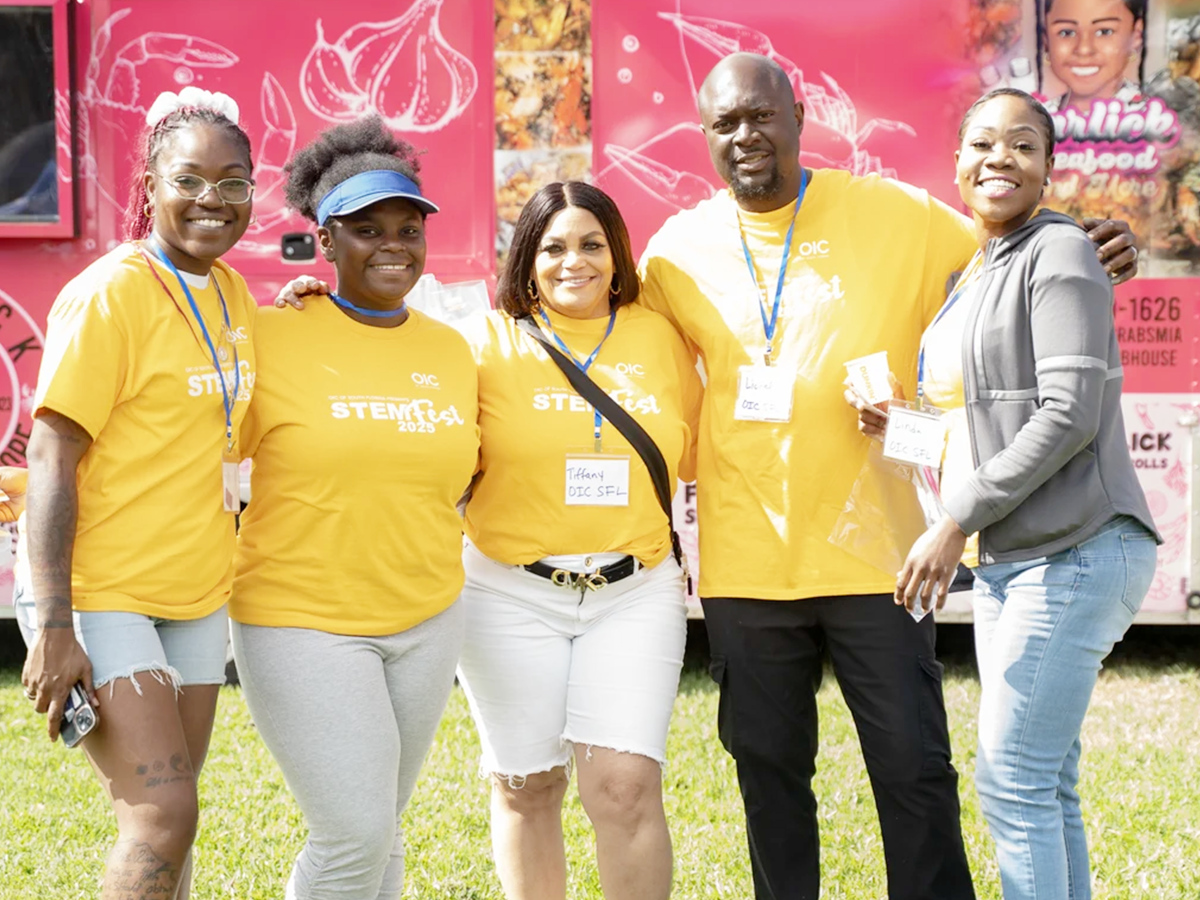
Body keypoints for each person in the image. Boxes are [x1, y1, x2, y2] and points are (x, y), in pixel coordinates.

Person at [635, 52, 1138, 900]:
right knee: (769, 779)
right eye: (725, 123)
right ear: (704, 136)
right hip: (745, 564)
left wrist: (1085, 238)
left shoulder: (896, 213)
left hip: (882, 554)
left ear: (800, 115)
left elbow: (1007, 242)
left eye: (762, 115)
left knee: (913, 773)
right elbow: (620, 353)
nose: (745, 136)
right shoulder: (674, 253)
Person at [857, 87, 1159, 900]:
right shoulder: (978, 269)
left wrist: (954, 520)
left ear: (1049, 169)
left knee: (1013, 782)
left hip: (1072, 550)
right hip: (1018, 557)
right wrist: (901, 431)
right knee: (1044, 783)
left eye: (1023, 145)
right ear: (957, 163)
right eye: (983, 143)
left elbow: (1068, 414)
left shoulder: (1057, 253)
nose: (1000, 158)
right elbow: (979, 422)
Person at [228, 116, 479, 900]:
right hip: (302, 620)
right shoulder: (271, 335)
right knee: (353, 836)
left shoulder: (449, 349)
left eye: (408, 227)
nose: (393, 244)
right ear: (326, 244)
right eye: (366, 230)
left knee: (383, 831)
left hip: (428, 616)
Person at [17, 87, 257, 900]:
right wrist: (53, 625)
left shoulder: (232, 294)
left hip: (191, 592)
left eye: (234, 183)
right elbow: (51, 456)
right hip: (102, 591)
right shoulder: (109, 293)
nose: (212, 202)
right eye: (190, 179)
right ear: (149, 185)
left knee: (173, 821)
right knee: (161, 815)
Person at [454, 181, 701, 900]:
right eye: (553, 246)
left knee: (624, 785)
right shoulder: (482, 341)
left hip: (634, 592)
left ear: (617, 255)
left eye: (592, 244)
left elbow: (692, 453)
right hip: (507, 593)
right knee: (527, 784)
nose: (575, 262)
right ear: (525, 257)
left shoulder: (658, 337)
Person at [1041, 0, 1146, 111]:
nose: (1084, 49)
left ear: (1136, 35)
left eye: (1104, 31)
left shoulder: (1154, 119)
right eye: (1066, 32)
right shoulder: (1039, 116)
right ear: (1046, 40)